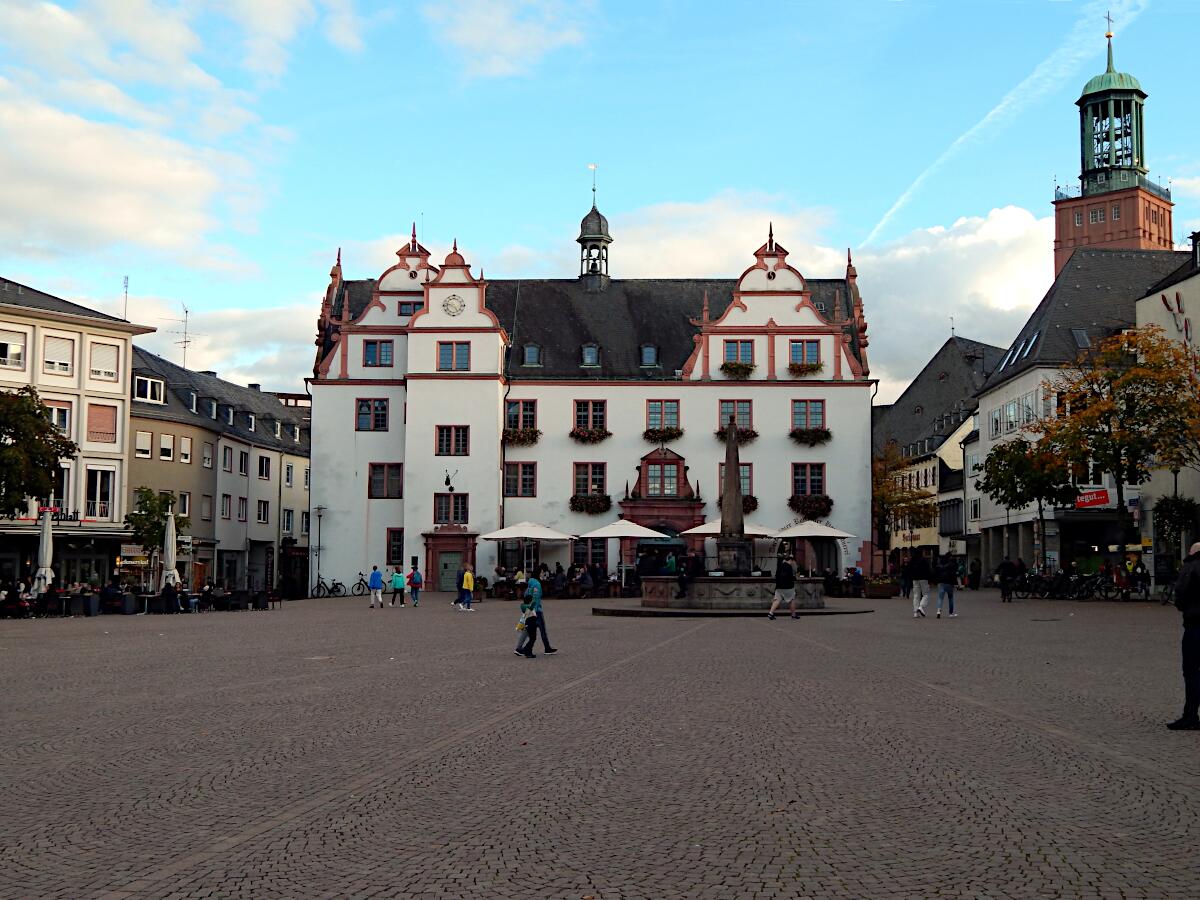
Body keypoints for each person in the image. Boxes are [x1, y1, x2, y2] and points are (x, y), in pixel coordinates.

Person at [1168, 542, 1200, 730]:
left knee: (1191, 671)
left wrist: (1184, 607)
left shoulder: (1191, 566)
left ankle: (1190, 716)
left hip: (1195, 625)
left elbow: (1181, 592)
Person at [522, 573, 557, 654]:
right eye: (541, 572)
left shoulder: (529, 585)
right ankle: (546, 648)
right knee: (542, 630)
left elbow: (525, 596)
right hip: (536, 610)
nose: (542, 574)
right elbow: (537, 598)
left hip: (529, 610)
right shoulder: (537, 585)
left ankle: (520, 648)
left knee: (528, 631)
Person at [767, 555, 798, 621]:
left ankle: (771, 613)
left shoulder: (780, 566)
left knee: (777, 599)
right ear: (790, 560)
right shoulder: (789, 567)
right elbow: (790, 576)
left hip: (779, 586)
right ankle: (793, 614)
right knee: (792, 599)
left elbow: (776, 576)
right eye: (792, 562)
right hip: (788, 587)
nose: (792, 563)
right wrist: (794, 578)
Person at [910, 550, 932, 618]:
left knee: (916, 595)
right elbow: (928, 570)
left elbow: (909, 569)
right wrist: (930, 579)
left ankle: (915, 612)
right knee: (926, 594)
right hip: (923, 578)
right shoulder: (924, 560)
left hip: (915, 579)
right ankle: (921, 606)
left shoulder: (912, 560)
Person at [935, 553, 958, 619]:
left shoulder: (940, 565)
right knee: (950, 598)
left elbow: (937, 572)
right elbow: (954, 575)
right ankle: (951, 613)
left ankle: (938, 611)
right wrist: (955, 583)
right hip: (949, 583)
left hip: (941, 582)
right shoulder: (952, 565)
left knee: (940, 598)